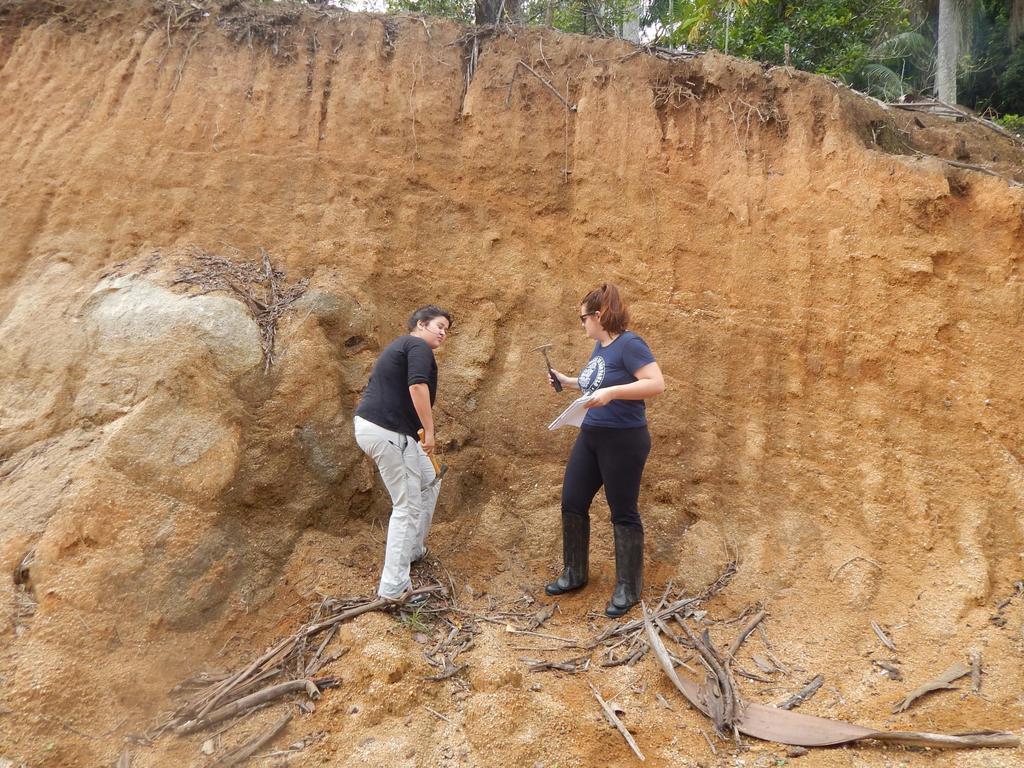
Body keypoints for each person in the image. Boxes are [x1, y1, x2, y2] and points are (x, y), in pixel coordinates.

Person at [544, 284, 664, 617]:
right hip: (592, 435)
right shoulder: (601, 345)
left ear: (598, 315)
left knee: (622, 510)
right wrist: (567, 381)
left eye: (583, 317)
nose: (581, 324)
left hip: (623, 439)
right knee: (572, 500)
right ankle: (574, 572)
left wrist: (612, 394)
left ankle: (628, 587)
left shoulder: (630, 344)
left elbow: (655, 383)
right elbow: (594, 382)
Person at [354, 305, 452, 602]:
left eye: (447, 329)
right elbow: (418, 386)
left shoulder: (402, 347)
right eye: (439, 325)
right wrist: (429, 431)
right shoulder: (417, 345)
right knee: (406, 506)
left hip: (381, 429)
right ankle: (394, 588)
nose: (443, 333)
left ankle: (412, 549)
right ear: (421, 324)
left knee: (430, 477)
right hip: (389, 432)